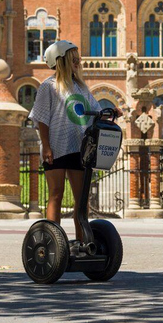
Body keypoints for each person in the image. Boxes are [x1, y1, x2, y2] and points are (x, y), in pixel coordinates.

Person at [28, 40, 122, 249]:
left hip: (79, 148)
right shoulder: (48, 87)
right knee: (56, 193)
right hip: (56, 147)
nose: (78, 61)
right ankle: (53, 243)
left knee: (81, 200)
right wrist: (47, 146)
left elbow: (96, 113)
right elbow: (42, 119)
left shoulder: (81, 88)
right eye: (74, 58)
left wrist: (111, 112)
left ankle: (83, 243)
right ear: (61, 60)